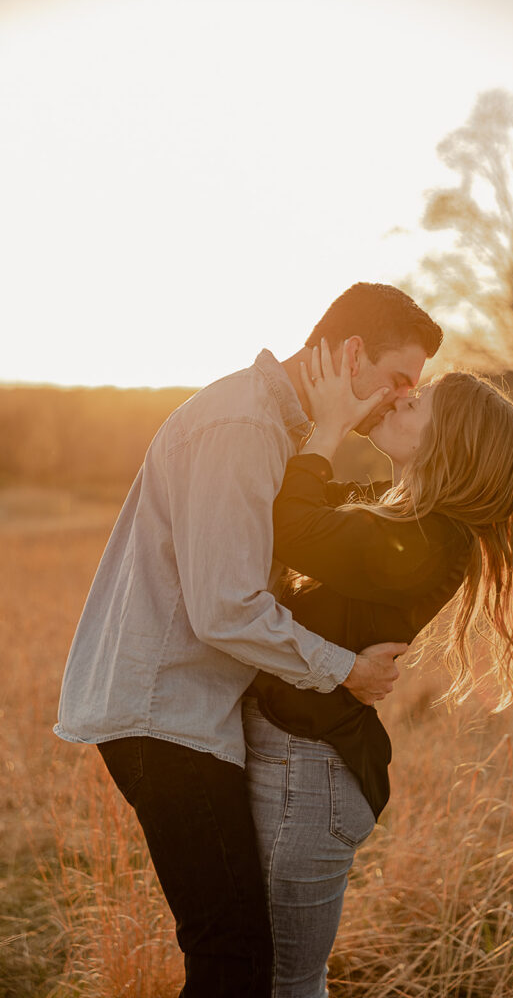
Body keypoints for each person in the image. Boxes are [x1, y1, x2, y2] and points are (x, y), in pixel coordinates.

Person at [53, 282, 444, 998]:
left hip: (186, 714)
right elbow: (226, 609)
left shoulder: (277, 431)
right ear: (351, 353)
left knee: (232, 955)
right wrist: (345, 670)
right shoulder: (243, 427)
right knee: (230, 958)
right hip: (164, 716)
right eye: (398, 380)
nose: (398, 399)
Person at [244, 339, 513, 997]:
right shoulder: (404, 515)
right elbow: (308, 502)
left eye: (420, 402)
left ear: (448, 445)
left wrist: (326, 427)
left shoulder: (423, 541)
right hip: (296, 766)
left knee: (285, 984)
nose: (404, 396)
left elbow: (291, 525)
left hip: (308, 778)